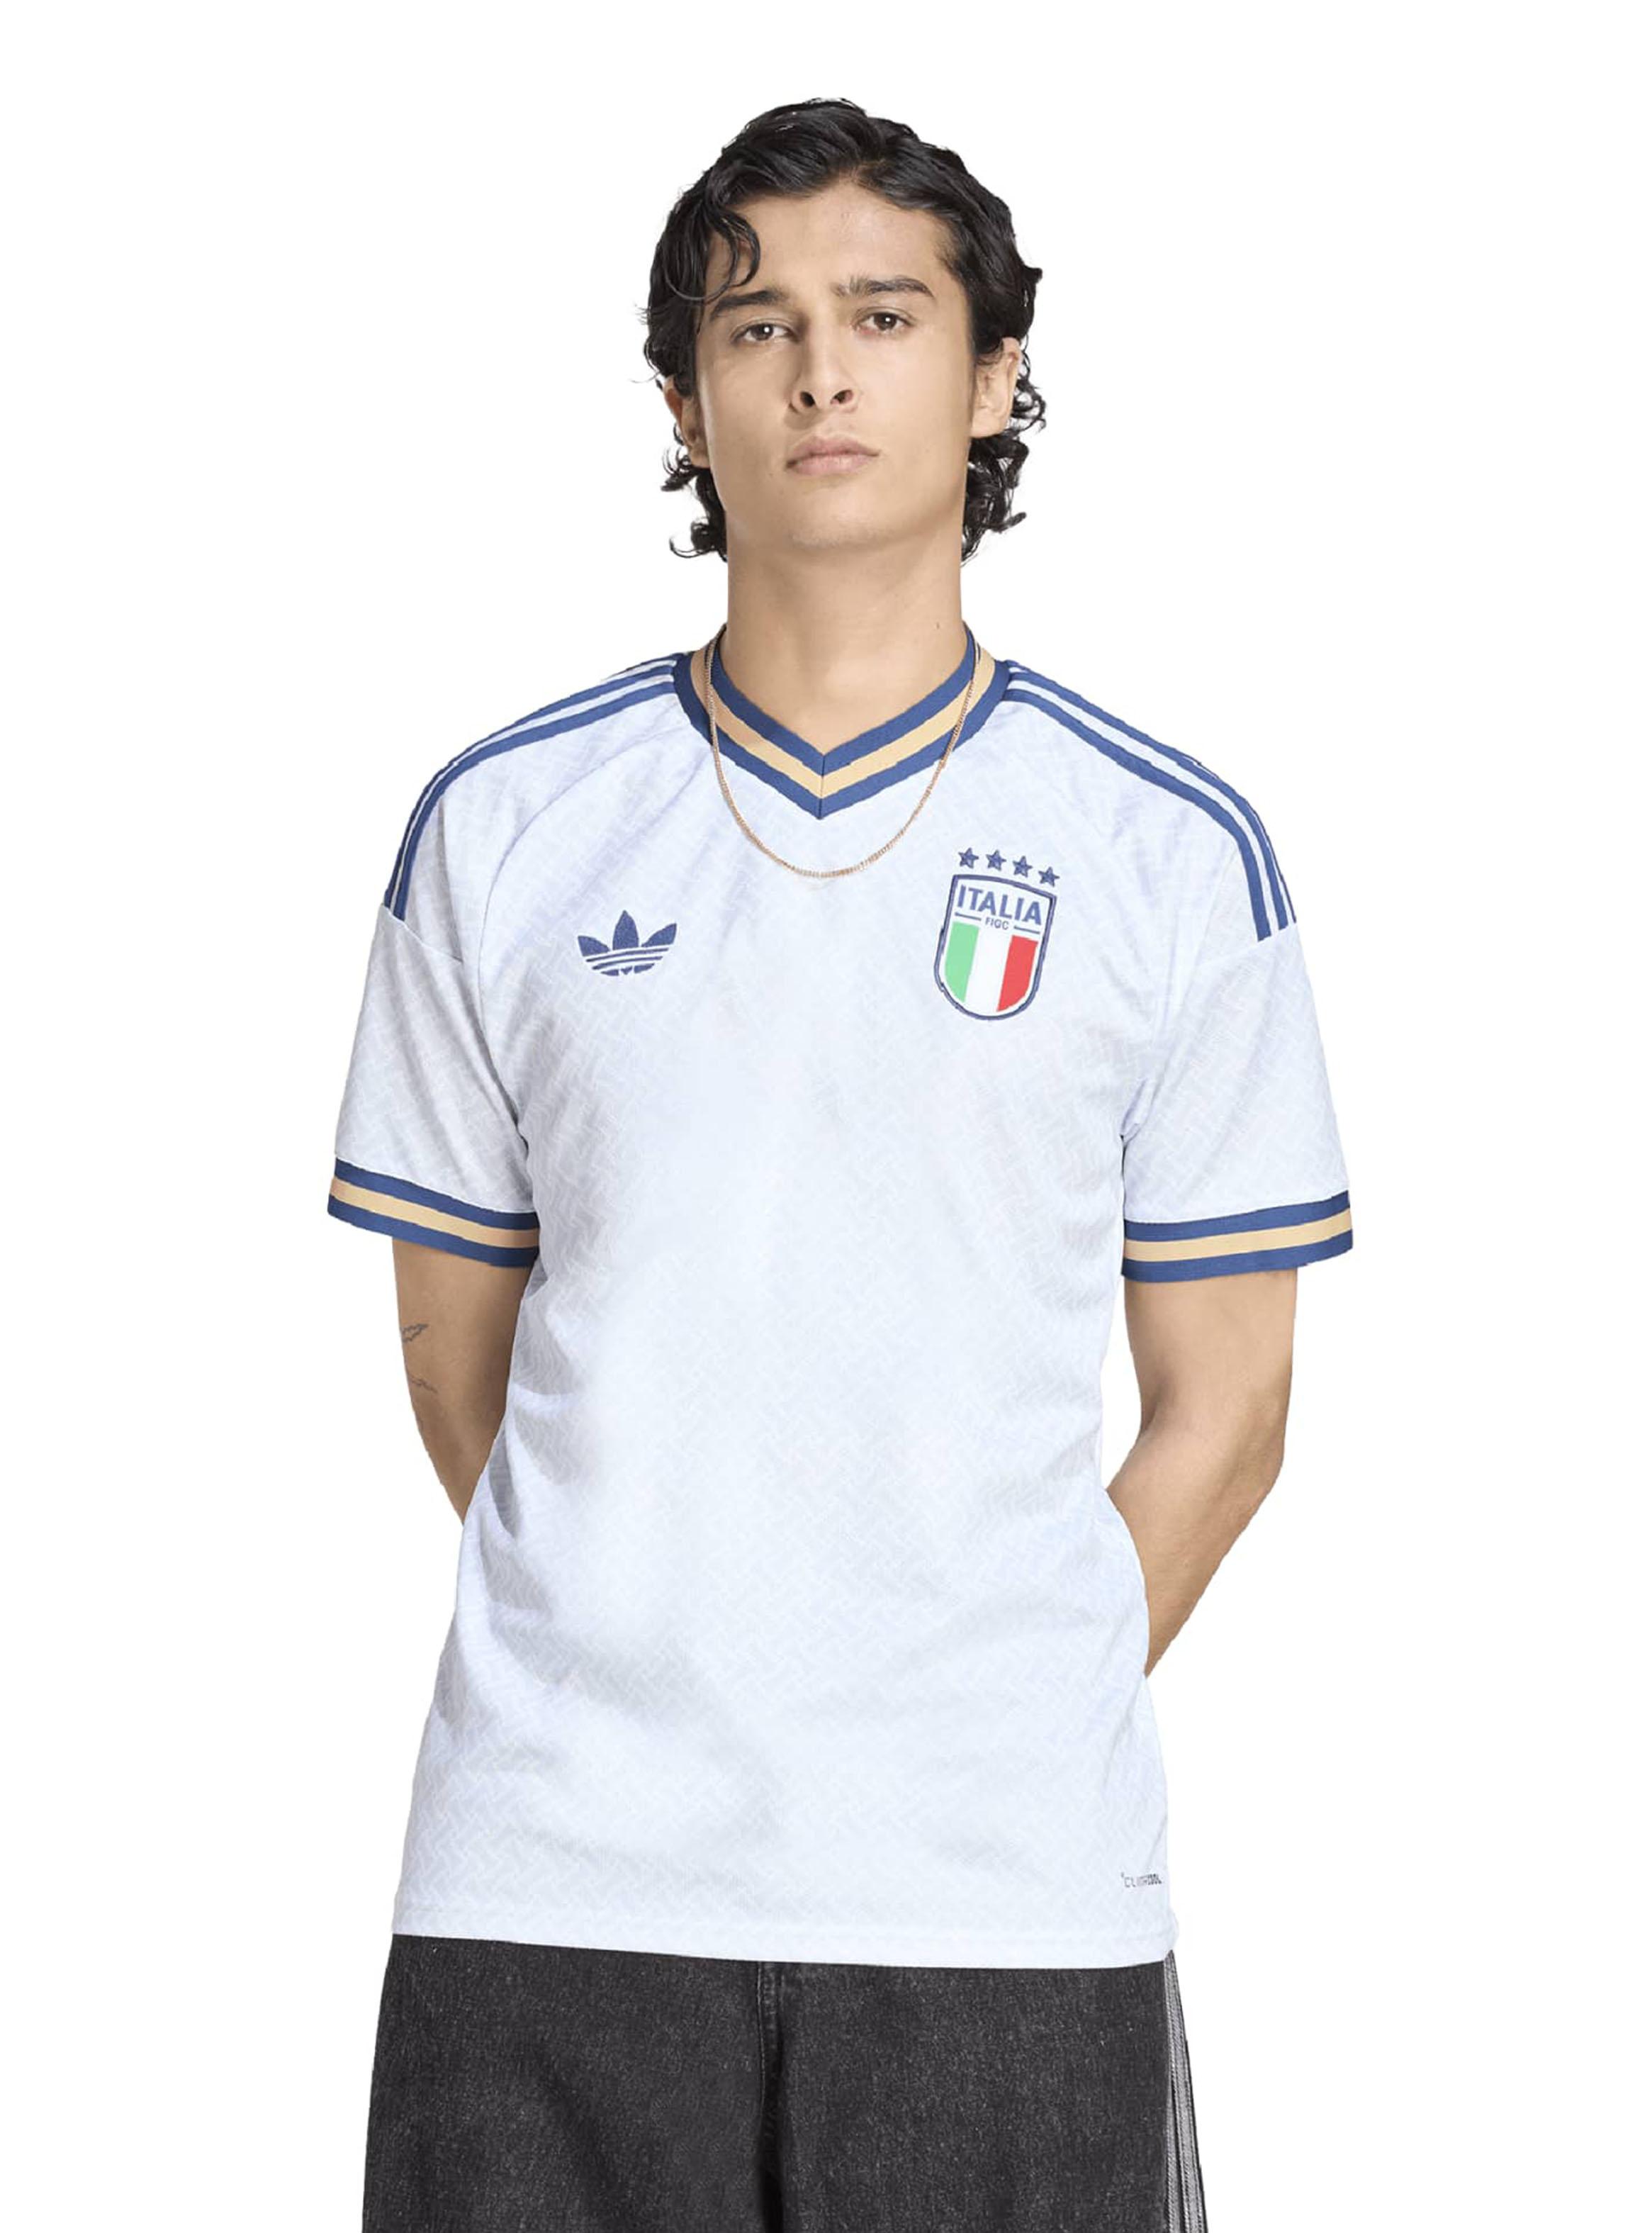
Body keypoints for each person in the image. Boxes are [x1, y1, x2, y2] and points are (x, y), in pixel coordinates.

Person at [329, 95, 1353, 2232]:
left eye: (883, 317)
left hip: (1002, 1898)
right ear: (682, 403)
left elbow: (1229, 1413)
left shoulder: (1166, 857)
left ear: (990, 380)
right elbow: (459, 1362)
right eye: (757, 325)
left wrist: (991, 1701)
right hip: (552, 1878)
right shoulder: (504, 832)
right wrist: (645, 1629)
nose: (819, 373)